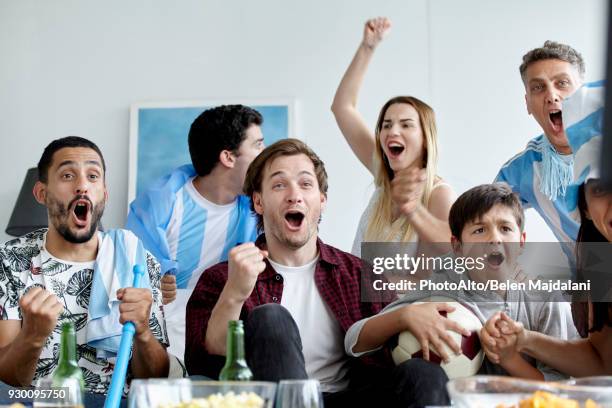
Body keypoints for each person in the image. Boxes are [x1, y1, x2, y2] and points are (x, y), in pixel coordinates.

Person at [184, 139, 439, 407]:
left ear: (321, 200)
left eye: (305, 184)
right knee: (271, 317)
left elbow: (394, 353)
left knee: (422, 374)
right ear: (258, 202)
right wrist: (234, 293)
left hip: (353, 398)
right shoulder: (221, 278)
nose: (294, 195)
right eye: (279, 185)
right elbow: (203, 364)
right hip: (272, 402)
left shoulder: (361, 275)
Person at [345, 183, 578, 405]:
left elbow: (561, 389)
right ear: (457, 247)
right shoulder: (442, 289)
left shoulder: (545, 300)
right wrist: (406, 314)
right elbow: (353, 341)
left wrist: (510, 359)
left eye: (505, 228)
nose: (494, 238)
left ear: (521, 242)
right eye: (479, 230)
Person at [0, 136, 169, 398]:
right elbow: (8, 380)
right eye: (68, 176)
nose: (82, 186)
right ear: (42, 193)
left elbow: (155, 379)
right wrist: (32, 335)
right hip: (38, 400)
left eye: (93, 176)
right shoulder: (10, 260)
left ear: (104, 193)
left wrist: (143, 331)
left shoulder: (138, 259)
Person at [484, 82, 611, 376]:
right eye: (602, 188)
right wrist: (524, 340)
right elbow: (602, 362)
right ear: (587, 211)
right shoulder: (600, 263)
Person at [126, 105, 264, 361]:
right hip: (166, 343)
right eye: (258, 145)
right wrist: (155, 280)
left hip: (226, 337)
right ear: (228, 157)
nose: (265, 155)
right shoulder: (164, 204)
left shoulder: (255, 208)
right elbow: (129, 271)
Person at [331, 17, 455, 258]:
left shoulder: (439, 194)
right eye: (386, 125)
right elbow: (342, 107)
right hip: (358, 296)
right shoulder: (384, 176)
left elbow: (433, 276)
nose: (392, 132)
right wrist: (368, 47)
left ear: (425, 138)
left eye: (406, 125)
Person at [495, 41, 587, 263]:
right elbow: (482, 221)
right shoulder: (522, 169)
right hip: (590, 290)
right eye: (538, 87)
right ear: (527, 103)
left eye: (562, 83)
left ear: (585, 93)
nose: (551, 95)